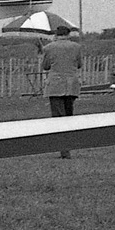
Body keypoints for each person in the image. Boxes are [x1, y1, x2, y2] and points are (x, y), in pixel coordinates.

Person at [40, 25, 83, 158]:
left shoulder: (49, 47)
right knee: (69, 116)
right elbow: (79, 64)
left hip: (55, 85)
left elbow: (45, 66)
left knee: (58, 118)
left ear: (56, 35)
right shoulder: (76, 47)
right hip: (71, 85)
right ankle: (68, 147)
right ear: (69, 34)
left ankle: (64, 151)